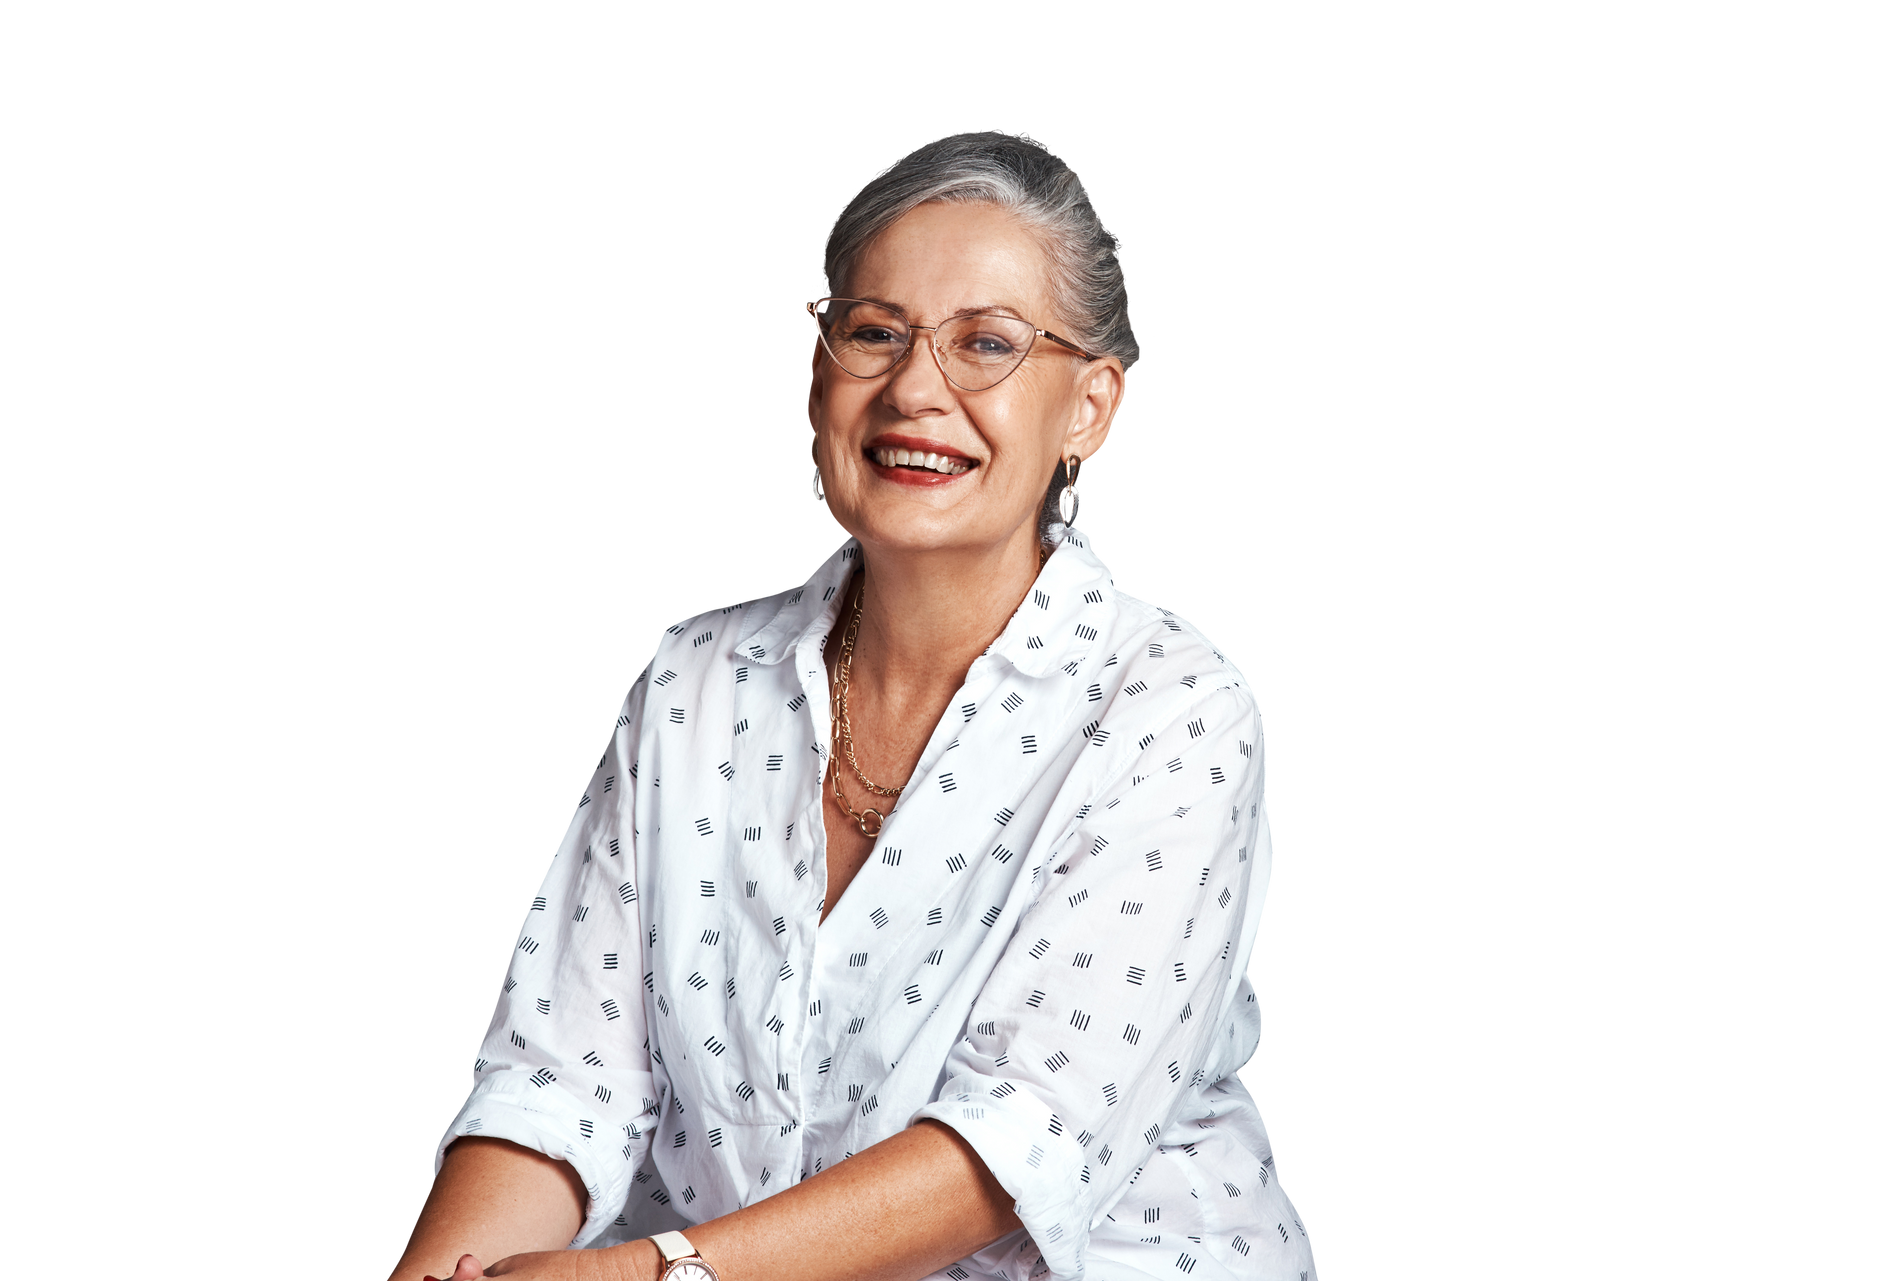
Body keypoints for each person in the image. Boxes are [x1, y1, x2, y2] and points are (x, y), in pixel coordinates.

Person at [388, 127, 1318, 1281]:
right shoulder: (696, 675)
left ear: (1089, 408)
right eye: (875, 333)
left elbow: (1021, 1144)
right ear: (818, 373)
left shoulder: (1175, 707)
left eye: (988, 343)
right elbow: (560, 1084)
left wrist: (661, 1274)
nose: (917, 390)